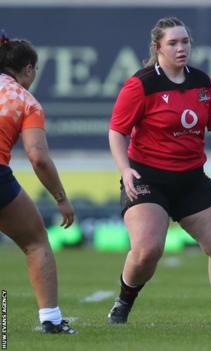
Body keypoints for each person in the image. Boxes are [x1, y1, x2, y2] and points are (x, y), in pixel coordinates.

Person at [106, 17, 211, 325]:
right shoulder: (142, 84)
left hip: (191, 179)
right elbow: (116, 131)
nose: (181, 48)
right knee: (148, 250)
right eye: (173, 43)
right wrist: (125, 170)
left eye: (185, 42)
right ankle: (123, 303)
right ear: (158, 47)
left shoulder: (201, 81)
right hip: (147, 178)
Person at [0, 32, 76, 334]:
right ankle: (52, 319)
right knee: (35, 243)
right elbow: (38, 158)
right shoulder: (25, 100)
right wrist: (60, 198)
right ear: (28, 69)